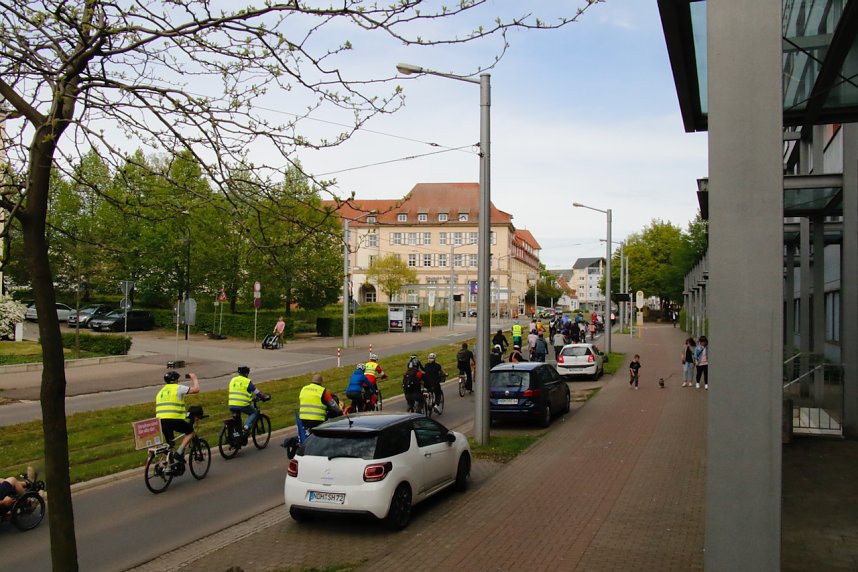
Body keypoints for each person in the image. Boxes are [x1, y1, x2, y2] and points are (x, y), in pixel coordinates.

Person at [156, 370, 200, 464]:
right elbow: (196, 389)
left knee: (170, 443)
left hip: (161, 421)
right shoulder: (178, 388)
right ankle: (179, 454)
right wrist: (194, 378)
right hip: (174, 419)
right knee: (190, 432)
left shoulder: (161, 391)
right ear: (176, 380)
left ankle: (168, 466)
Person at [228, 366, 270, 435]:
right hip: (242, 405)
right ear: (246, 374)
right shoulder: (247, 381)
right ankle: (246, 427)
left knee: (237, 420)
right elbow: (257, 392)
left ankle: (238, 436)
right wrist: (264, 397)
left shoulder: (233, 380)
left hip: (231, 404)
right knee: (254, 413)